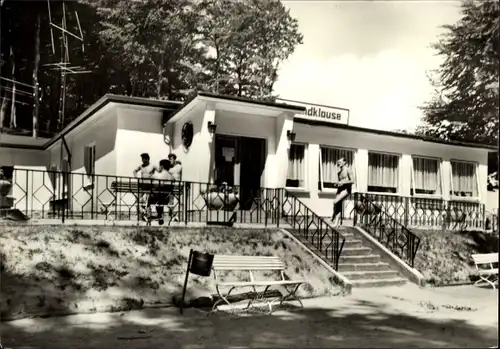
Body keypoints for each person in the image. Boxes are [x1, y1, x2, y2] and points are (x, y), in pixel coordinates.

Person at [145, 159, 173, 225]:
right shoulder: (172, 177)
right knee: (160, 196)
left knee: (148, 195)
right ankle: (160, 216)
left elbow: (147, 181)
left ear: (162, 166)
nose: (159, 167)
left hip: (155, 199)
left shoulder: (156, 176)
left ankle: (148, 217)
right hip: (166, 199)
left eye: (159, 166)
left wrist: (152, 172)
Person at [331, 157, 355, 228]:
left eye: (340, 162)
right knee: (337, 205)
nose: (338, 163)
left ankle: (333, 217)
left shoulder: (348, 170)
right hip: (340, 190)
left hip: (346, 190)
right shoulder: (338, 173)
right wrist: (337, 184)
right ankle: (336, 223)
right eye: (338, 162)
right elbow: (340, 182)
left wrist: (343, 182)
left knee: (335, 202)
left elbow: (352, 180)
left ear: (344, 162)